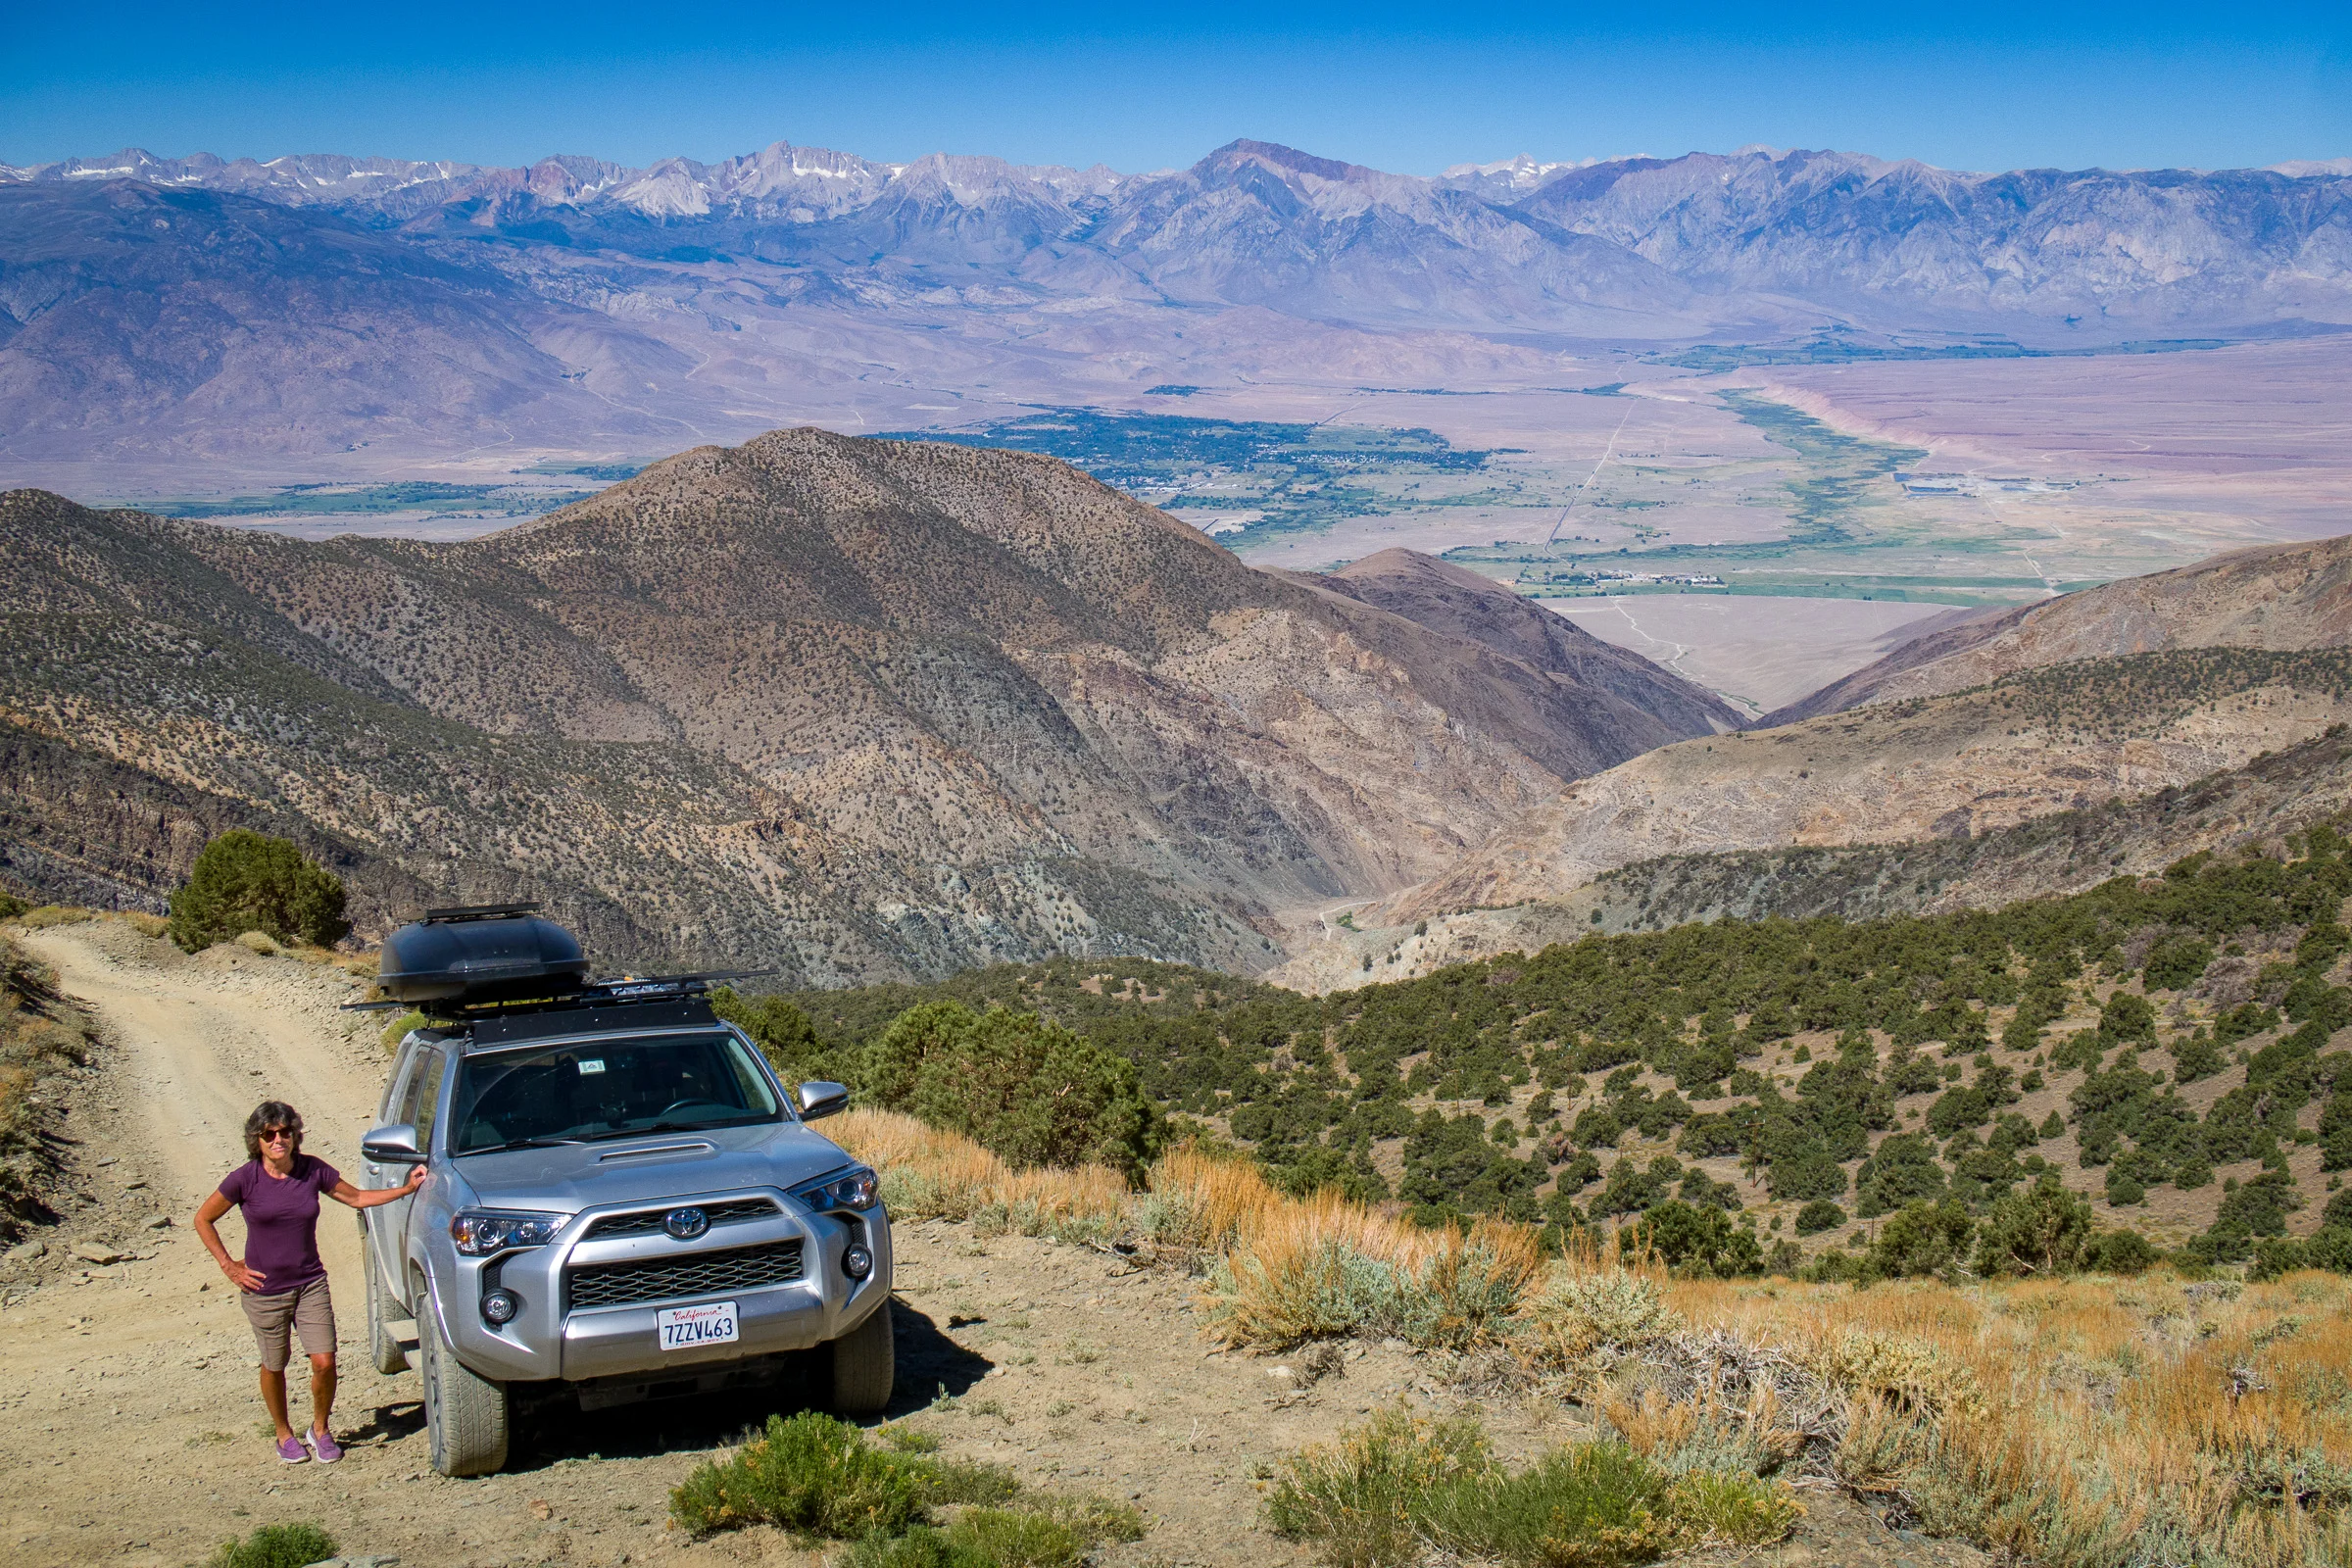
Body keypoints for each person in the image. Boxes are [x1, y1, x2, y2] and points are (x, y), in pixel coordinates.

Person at [194, 1100, 425, 1464]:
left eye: (285, 1132)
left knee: (324, 1361)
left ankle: (320, 1430)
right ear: (257, 1140)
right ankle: (283, 1433)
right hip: (264, 1290)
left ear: (295, 1135)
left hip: (310, 1283)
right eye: (269, 1134)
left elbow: (358, 1197)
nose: (278, 1140)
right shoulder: (244, 1178)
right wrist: (230, 1266)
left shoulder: (312, 1169)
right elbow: (203, 1219)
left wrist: (405, 1190)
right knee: (275, 1364)